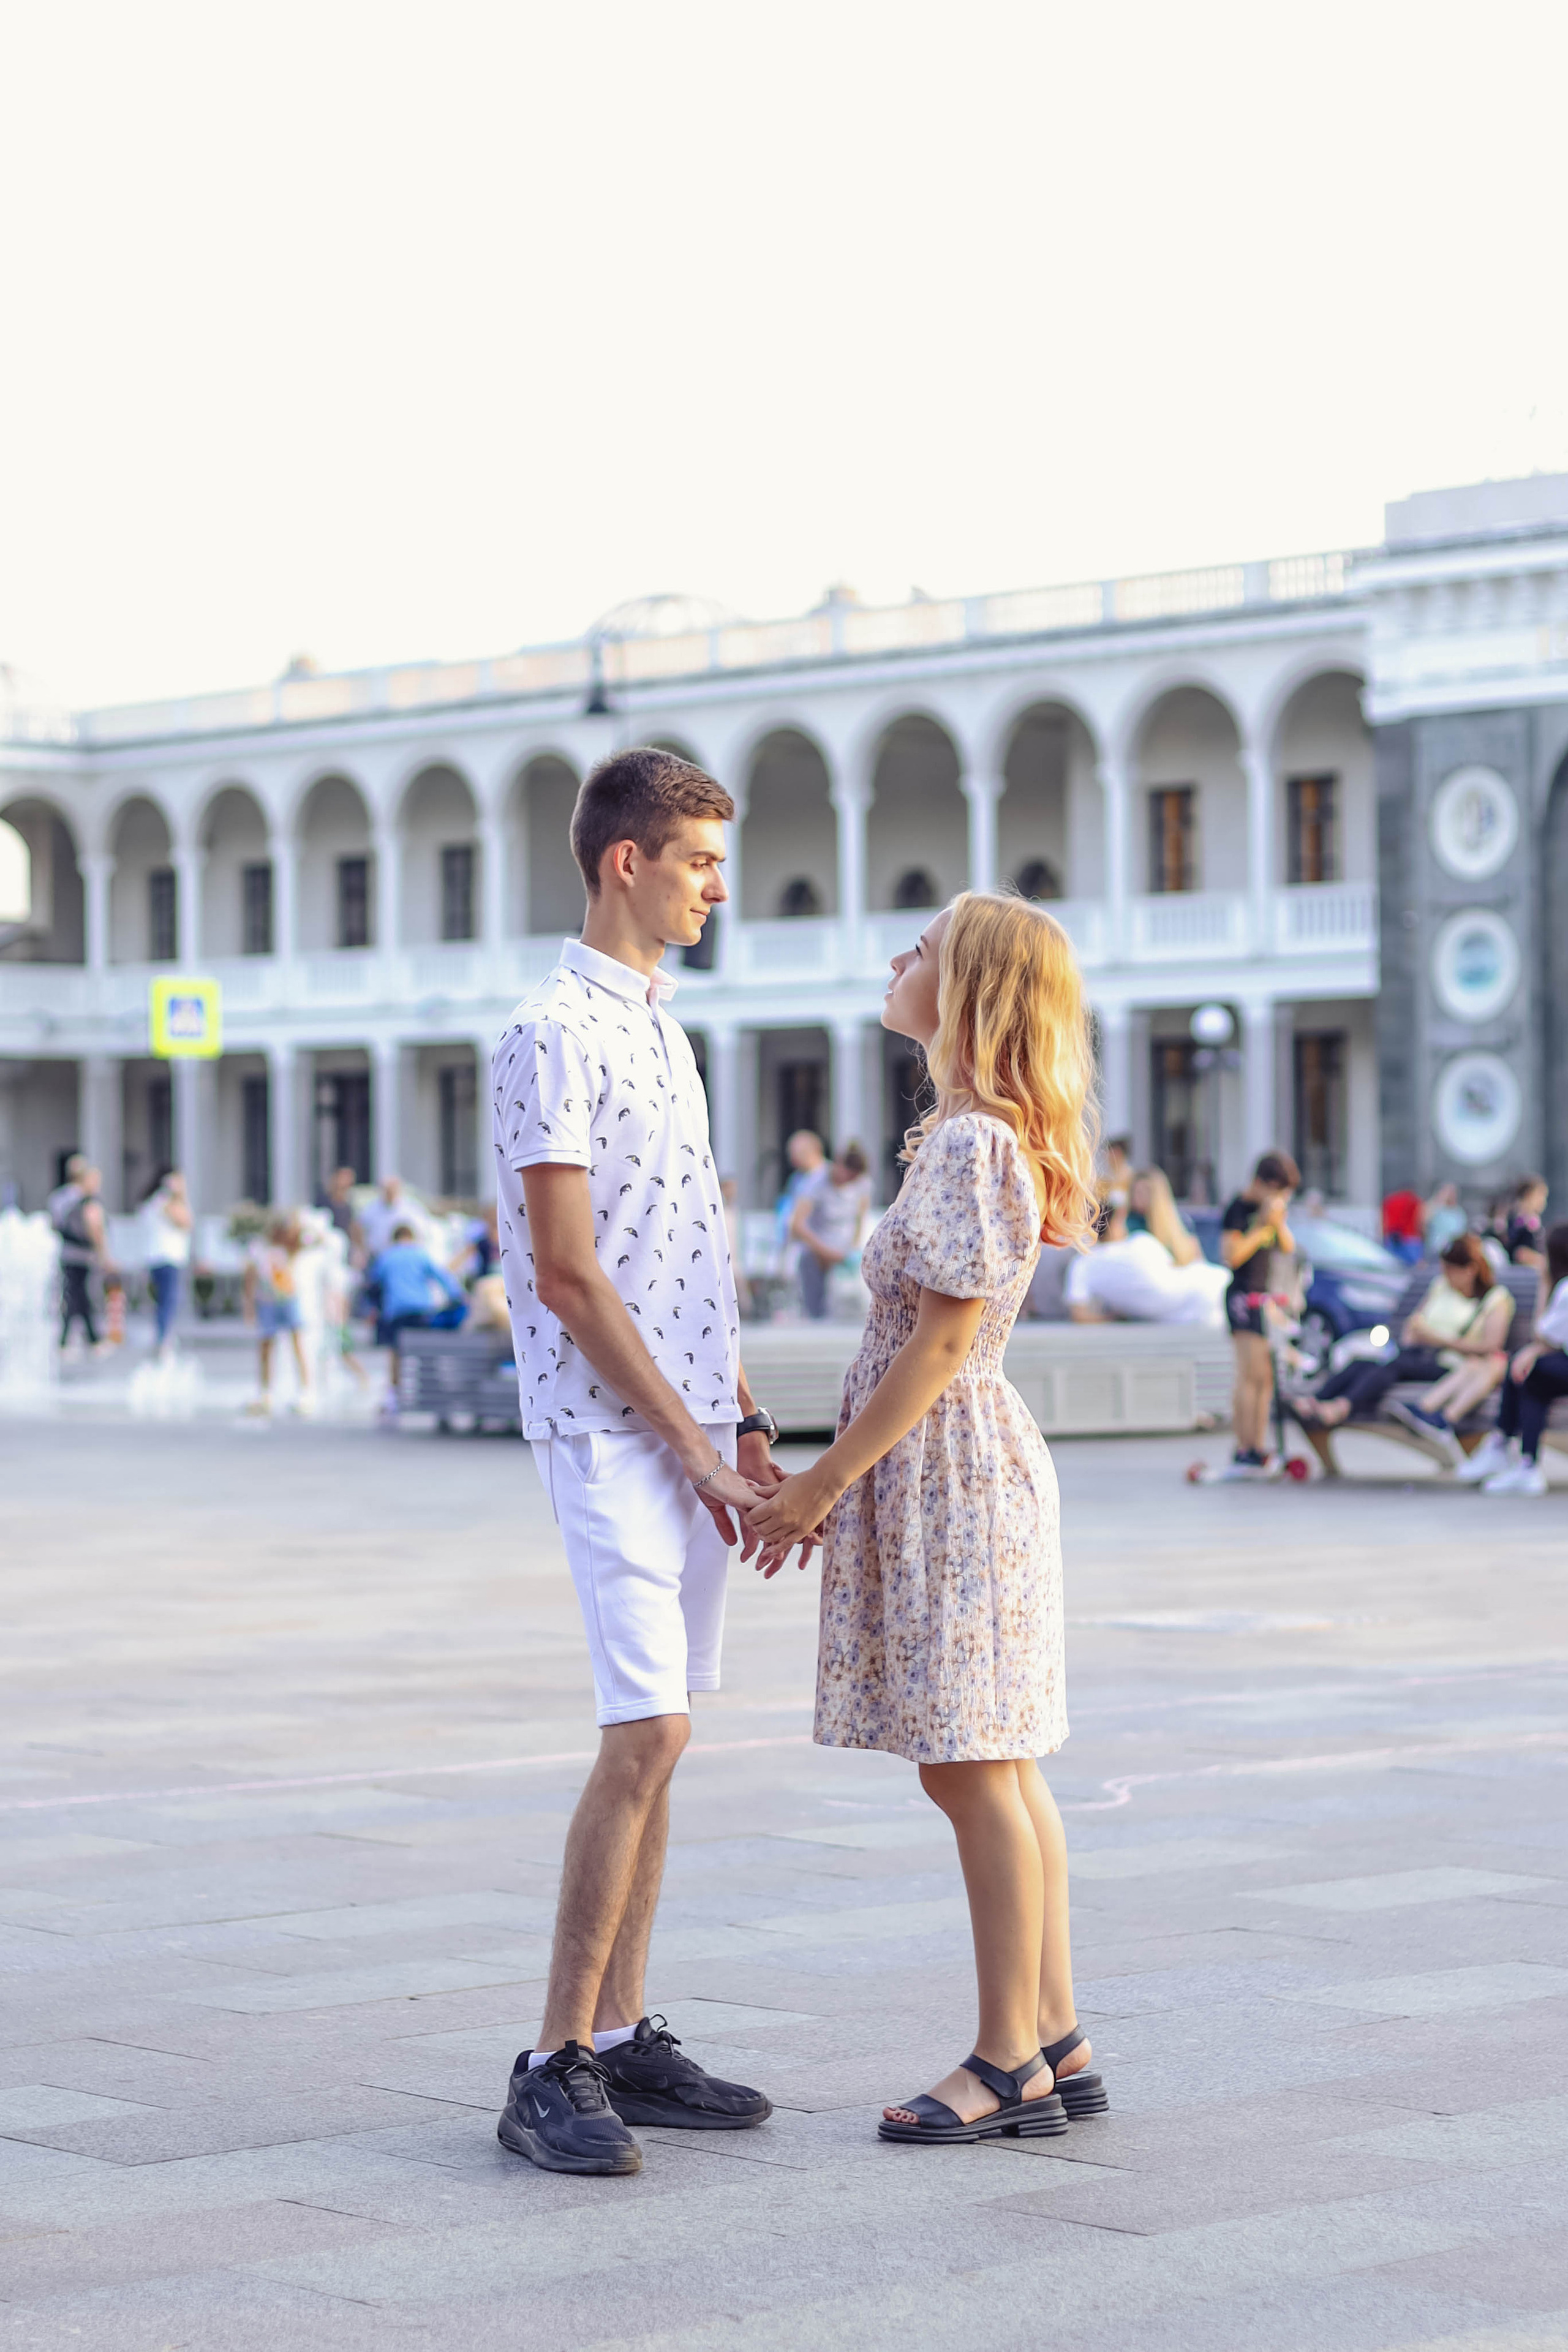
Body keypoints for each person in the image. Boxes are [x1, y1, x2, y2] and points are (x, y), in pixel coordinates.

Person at [750, 892, 1105, 2148]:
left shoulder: (968, 1146)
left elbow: (944, 1338)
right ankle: (1052, 2031)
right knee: (994, 1761)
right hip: (965, 1465)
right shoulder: (973, 1134)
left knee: (969, 1766)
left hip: (946, 1469)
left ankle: (1008, 2057)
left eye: (920, 951)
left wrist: (820, 1481)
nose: (893, 960)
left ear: (967, 994)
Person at [491, 744, 783, 2178]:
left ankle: (616, 2035)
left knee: (671, 1734)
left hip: (683, 1439)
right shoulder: (548, 1030)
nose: (717, 887)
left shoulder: (664, 1029)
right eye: (700, 862)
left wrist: (736, 1416)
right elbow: (565, 1272)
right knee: (645, 1728)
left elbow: (688, 1251)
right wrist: (684, 1435)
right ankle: (547, 2059)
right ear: (627, 860)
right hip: (601, 1428)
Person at [1296, 1232, 1513, 1469]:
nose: (1446, 1276)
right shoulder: (1441, 1286)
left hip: (1451, 1363)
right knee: (1363, 1363)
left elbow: (1492, 1347)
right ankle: (1317, 1401)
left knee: (1391, 1368)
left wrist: (1439, 1340)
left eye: (1452, 1271)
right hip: (1418, 1354)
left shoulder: (1495, 1299)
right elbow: (1417, 1320)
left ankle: (1340, 1408)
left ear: (1470, 1270)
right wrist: (1415, 1333)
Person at [1460, 1221, 1568, 1495]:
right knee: (1532, 1382)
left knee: (1524, 1369)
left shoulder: (1565, 1288)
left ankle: (1507, 1447)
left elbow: (1542, 1334)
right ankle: (1523, 1461)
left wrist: (1545, 1284)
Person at [1219, 1150, 1300, 1478]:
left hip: (1264, 1298)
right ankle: (1244, 1447)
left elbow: (1288, 1247)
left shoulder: (1271, 1213)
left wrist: (1276, 1224)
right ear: (1263, 1184)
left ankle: (1259, 1444)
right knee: (1248, 1373)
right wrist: (1260, 1227)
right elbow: (1232, 1255)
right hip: (1242, 1296)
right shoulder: (1238, 1209)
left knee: (1265, 1377)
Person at [369, 1219, 466, 1419]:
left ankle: (394, 1396)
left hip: (396, 1312)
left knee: (396, 1353)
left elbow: (373, 1284)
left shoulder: (387, 1257)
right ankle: (434, 1394)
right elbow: (444, 1279)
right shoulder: (421, 1254)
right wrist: (457, 1298)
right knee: (427, 1353)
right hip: (422, 1310)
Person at [789, 1140, 872, 1319]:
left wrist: (853, 1247)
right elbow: (797, 1224)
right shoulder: (816, 1182)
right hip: (816, 1254)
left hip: (844, 1256)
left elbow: (860, 1218)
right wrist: (826, 1252)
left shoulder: (863, 1184)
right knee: (816, 1313)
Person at [243, 1212, 311, 1414]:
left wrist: (296, 1221)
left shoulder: (289, 1248)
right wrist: (249, 1306)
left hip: (288, 1299)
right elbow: (250, 1278)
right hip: (267, 1301)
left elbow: (310, 1239)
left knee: (297, 1344)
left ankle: (305, 1391)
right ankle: (266, 1392)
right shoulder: (259, 1249)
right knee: (266, 1346)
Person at [48, 1156, 110, 1351]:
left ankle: (75, 1339)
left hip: (66, 1253)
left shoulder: (58, 1197)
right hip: (83, 1254)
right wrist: (104, 1254)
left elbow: (54, 1225)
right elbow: (96, 1229)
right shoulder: (85, 1199)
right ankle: (87, 1339)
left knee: (75, 1294)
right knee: (79, 1295)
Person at [140, 1166, 192, 1357]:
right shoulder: (166, 1202)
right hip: (167, 1258)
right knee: (168, 1300)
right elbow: (186, 1223)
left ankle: (163, 1336)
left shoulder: (153, 1202)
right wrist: (181, 1197)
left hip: (157, 1258)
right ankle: (163, 1339)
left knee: (164, 1300)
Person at [1503, 1175, 1549, 1272]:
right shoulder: (1518, 1223)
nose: (1543, 1201)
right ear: (1529, 1195)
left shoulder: (1532, 1221)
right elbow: (1520, 1254)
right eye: (1541, 1195)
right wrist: (1546, 1261)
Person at [1422, 1180, 1468, 1260]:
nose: (1451, 1195)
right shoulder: (1436, 1208)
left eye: (1453, 1193)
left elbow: (1462, 1232)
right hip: (1436, 1250)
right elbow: (1424, 1221)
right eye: (1448, 1193)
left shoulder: (1459, 1212)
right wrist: (1440, 1200)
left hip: (1455, 1251)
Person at [1382, 1186, 1425, 1265]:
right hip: (1410, 1237)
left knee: (1392, 1265)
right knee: (1416, 1267)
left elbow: (1384, 1220)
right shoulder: (1413, 1200)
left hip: (1392, 1236)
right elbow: (1419, 1219)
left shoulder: (1390, 1200)